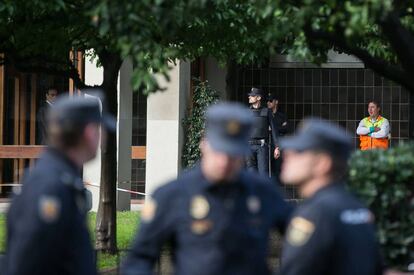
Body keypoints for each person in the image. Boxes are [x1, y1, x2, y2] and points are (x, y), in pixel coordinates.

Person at [122, 102, 292, 275]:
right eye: (219, 150)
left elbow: (305, 242)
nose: (225, 162)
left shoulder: (263, 192)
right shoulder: (173, 194)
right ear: (204, 144)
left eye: (233, 153)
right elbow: (139, 260)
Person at [4, 93, 116, 275]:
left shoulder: (63, 179)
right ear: (89, 132)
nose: (103, 138)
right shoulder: (49, 187)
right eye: (101, 130)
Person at [278, 118, 383, 275]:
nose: (287, 154)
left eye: (299, 151)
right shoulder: (356, 206)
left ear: (322, 163)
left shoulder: (315, 213)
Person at [247, 87, 280, 176]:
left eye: (252, 96)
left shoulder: (267, 111)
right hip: (249, 146)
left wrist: (277, 147)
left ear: (258, 98)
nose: (249, 97)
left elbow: (274, 129)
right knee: (251, 175)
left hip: (262, 147)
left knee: (263, 175)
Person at [267, 94, 288, 180]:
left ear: (276, 102)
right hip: (268, 143)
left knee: (278, 168)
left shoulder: (282, 116)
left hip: (279, 144)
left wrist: (272, 128)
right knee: (268, 168)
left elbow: (286, 128)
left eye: (271, 101)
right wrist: (279, 127)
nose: (268, 103)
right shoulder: (266, 115)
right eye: (267, 101)